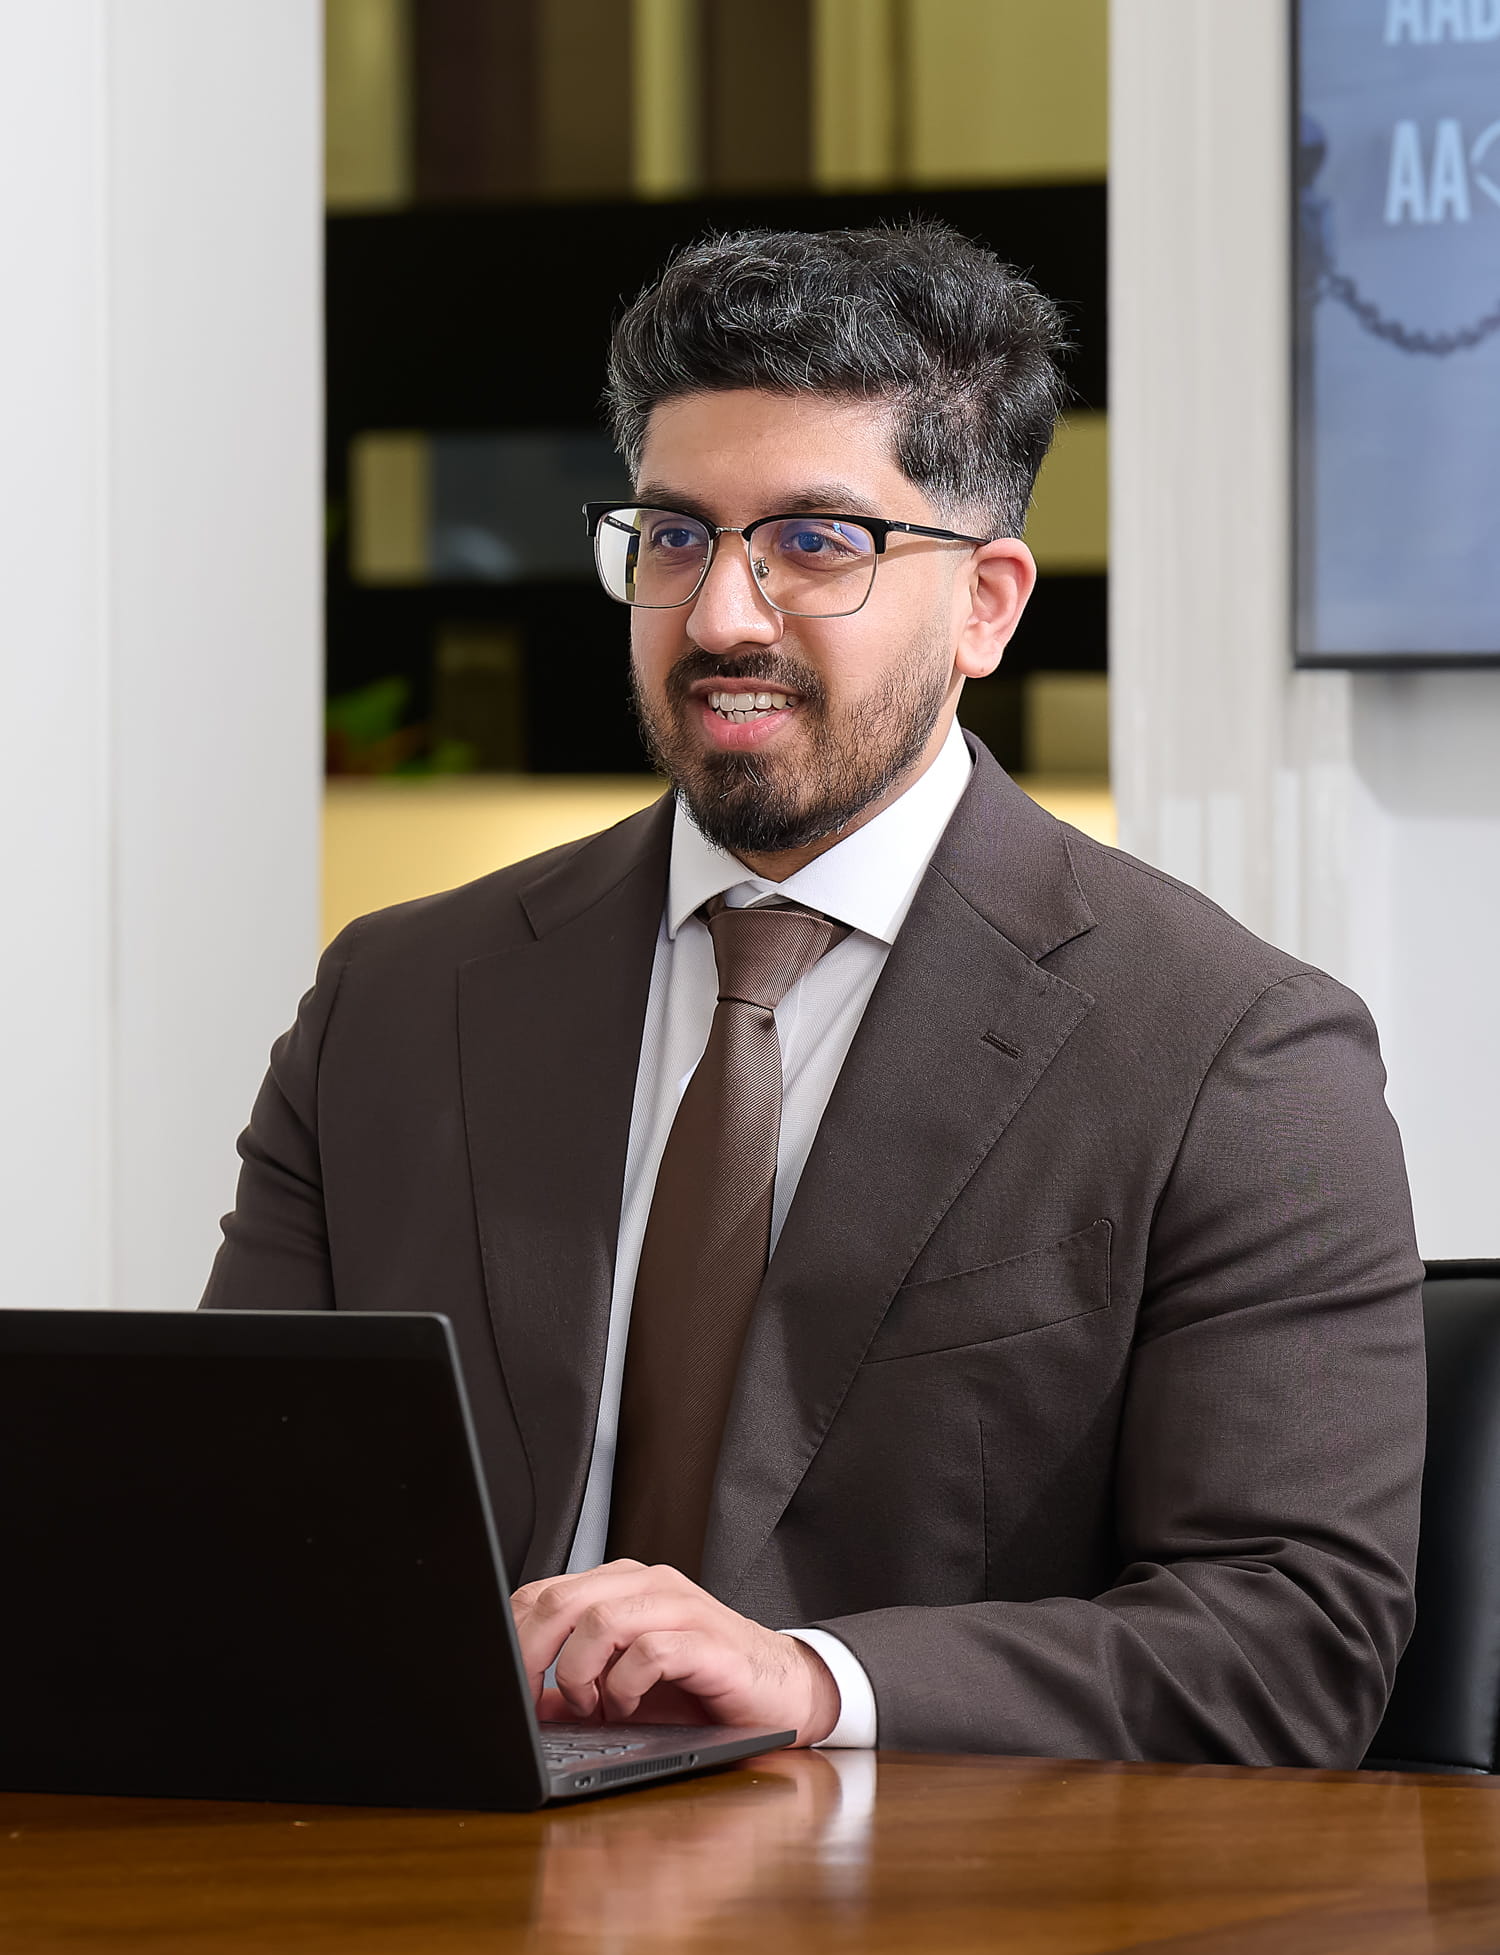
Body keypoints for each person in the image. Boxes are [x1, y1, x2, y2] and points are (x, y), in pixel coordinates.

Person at [205, 222, 1425, 1767]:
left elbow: (1291, 1645)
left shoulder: (1230, 1052)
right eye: (675, 536)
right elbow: (224, 1532)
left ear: (987, 605)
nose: (722, 615)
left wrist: (813, 1683)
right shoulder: (393, 1000)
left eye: (816, 542)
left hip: (911, 1887)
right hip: (413, 1862)